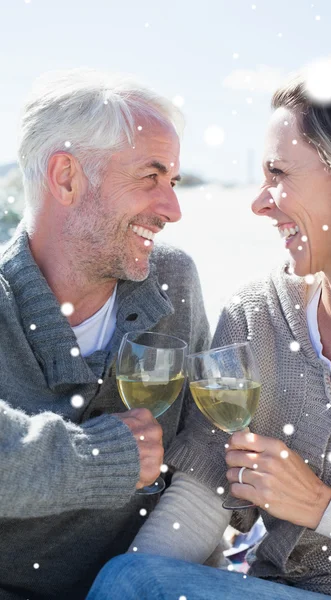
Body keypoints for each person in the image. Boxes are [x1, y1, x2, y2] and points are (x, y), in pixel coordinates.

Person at [88, 56, 331, 600]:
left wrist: (324, 508)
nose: (259, 203)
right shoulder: (258, 315)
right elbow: (207, 488)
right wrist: (134, 586)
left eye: (278, 174)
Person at [0, 69, 211, 600]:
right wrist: (100, 457)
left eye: (174, 181)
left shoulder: (172, 282)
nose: (172, 209)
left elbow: (205, 446)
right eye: (150, 177)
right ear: (66, 177)